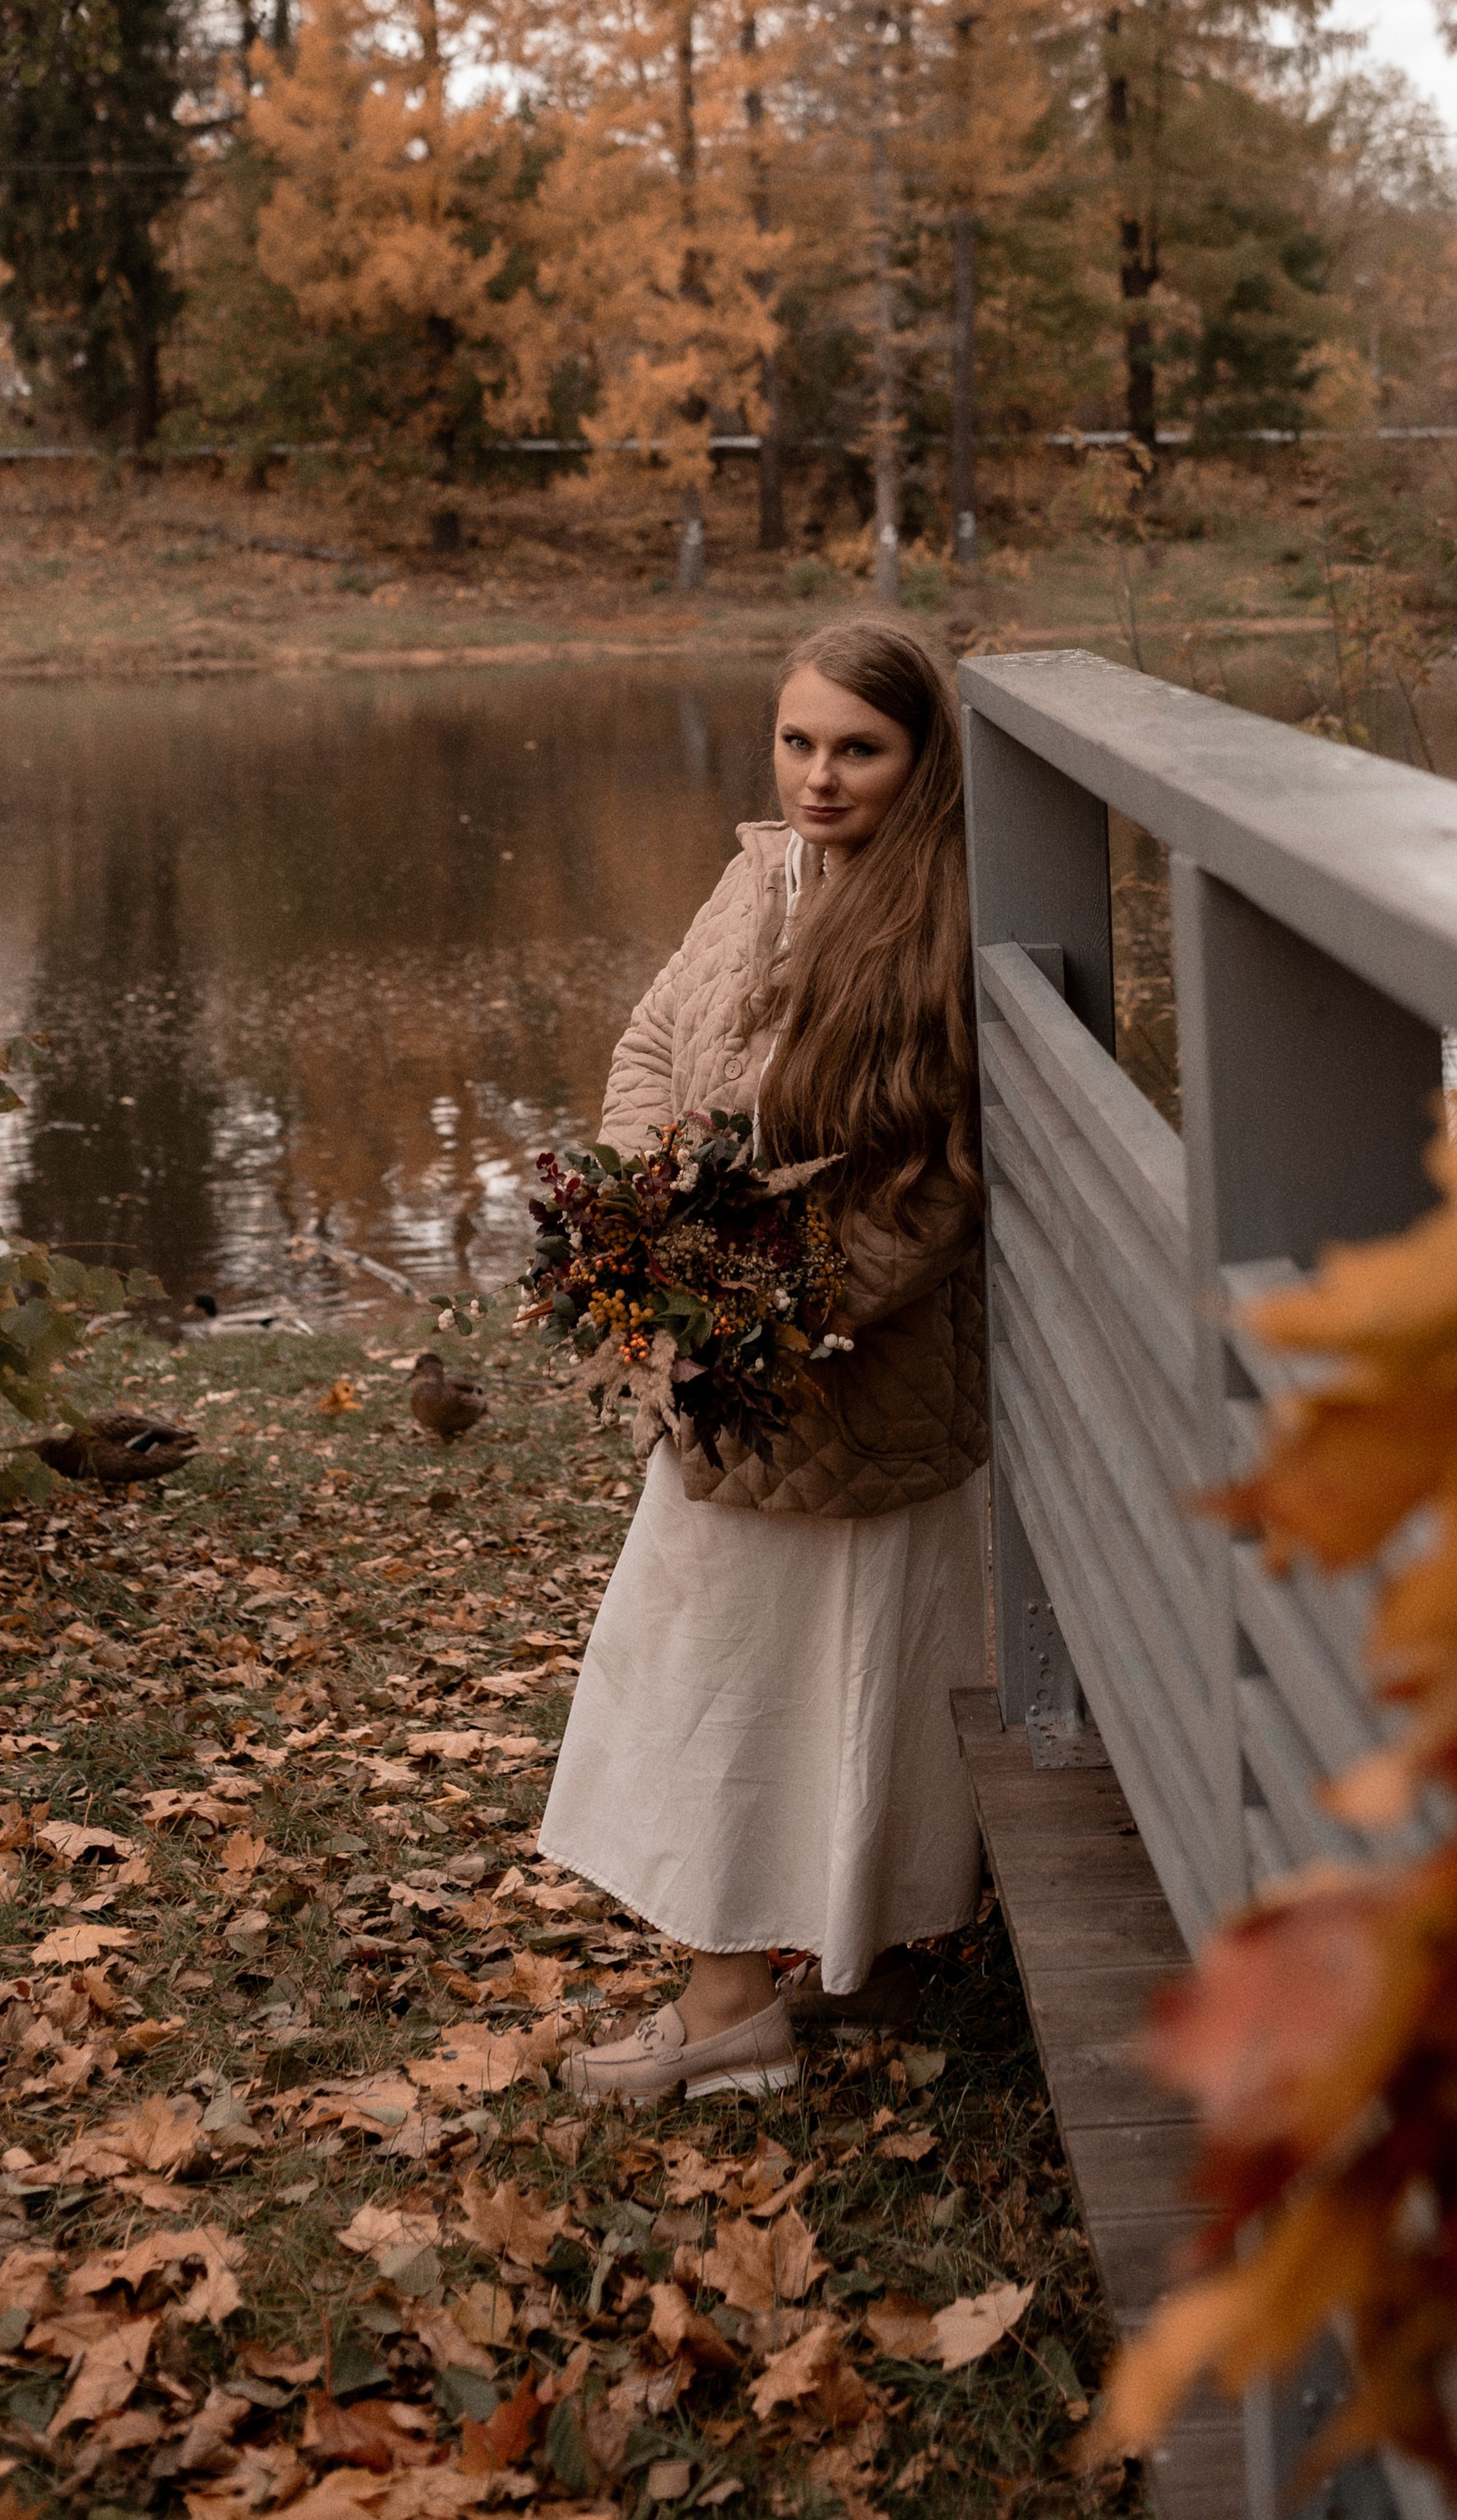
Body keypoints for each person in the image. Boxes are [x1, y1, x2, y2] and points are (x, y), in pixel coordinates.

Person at [539, 617, 989, 2103]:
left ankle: (731, 2007)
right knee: (736, 1667)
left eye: (860, 749)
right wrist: (640, 1227)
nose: (819, 776)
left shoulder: (938, 925)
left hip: (839, 1374)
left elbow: (930, 1191)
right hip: (722, 1353)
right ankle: (841, 1963)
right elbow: (650, 1045)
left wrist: (769, 1314)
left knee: (754, 1681)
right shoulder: (760, 875)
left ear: (922, 760)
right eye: (798, 742)